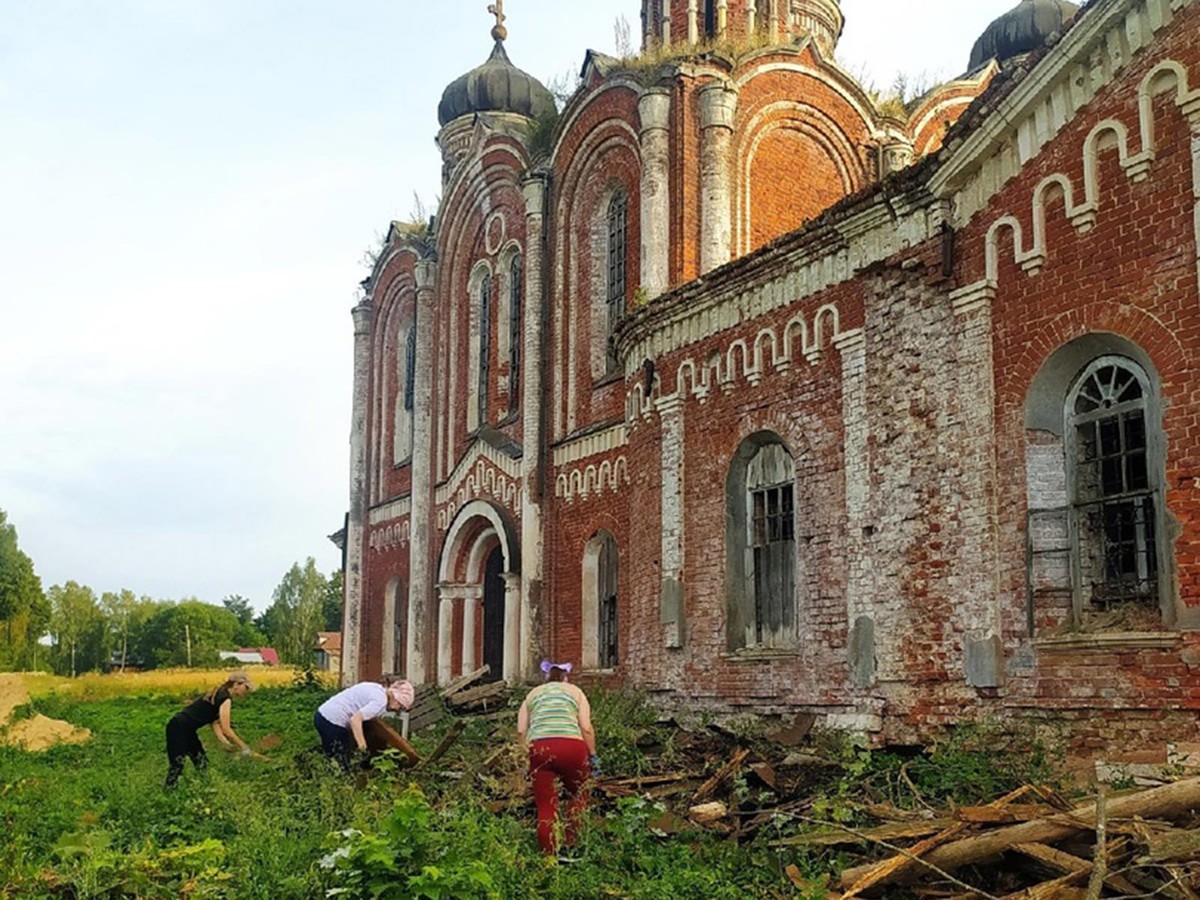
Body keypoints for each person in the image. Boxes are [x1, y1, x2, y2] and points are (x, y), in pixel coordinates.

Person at [516, 661, 599, 858]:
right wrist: (593, 755)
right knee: (578, 794)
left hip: (539, 748)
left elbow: (520, 730)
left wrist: (523, 756)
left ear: (547, 678)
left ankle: (549, 855)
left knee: (545, 804)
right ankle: (571, 847)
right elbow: (586, 727)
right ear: (565, 677)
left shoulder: (532, 694)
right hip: (572, 747)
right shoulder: (575, 692)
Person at [165, 670, 255, 788]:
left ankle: (206, 789)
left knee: (202, 763)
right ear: (236, 684)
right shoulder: (225, 698)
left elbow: (214, 721)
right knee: (177, 765)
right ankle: (168, 794)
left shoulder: (220, 692)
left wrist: (224, 742)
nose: (247, 691)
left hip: (186, 729)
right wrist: (244, 747)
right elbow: (227, 729)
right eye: (246, 687)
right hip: (178, 728)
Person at [314, 678, 414, 768]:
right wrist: (362, 746)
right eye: (400, 706)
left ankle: (316, 768)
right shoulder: (380, 701)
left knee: (332, 753)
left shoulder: (377, 689)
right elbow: (355, 720)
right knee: (342, 763)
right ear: (396, 698)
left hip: (322, 714)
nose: (396, 709)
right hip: (332, 721)